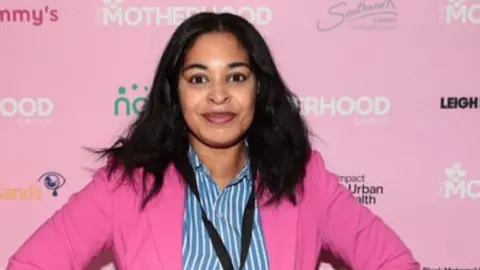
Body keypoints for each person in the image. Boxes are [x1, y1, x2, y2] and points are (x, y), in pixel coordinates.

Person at [7, 12, 420, 270]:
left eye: (236, 77)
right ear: (176, 91)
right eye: (199, 78)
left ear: (259, 87)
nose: (218, 95)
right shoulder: (126, 184)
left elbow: (395, 263)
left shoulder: (305, 178)